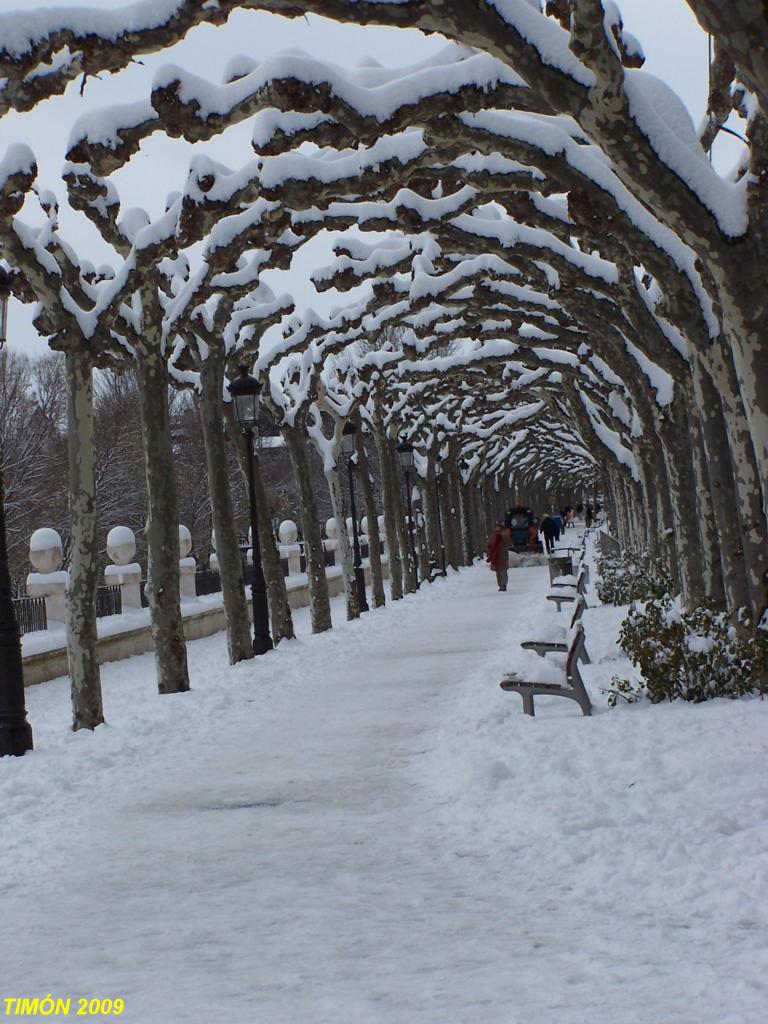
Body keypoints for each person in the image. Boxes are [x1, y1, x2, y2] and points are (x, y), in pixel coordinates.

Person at [486, 523, 511, 591]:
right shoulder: (492, 537)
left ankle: (504, 584)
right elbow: (488, 545)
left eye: (499, 530)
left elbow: (508, 543)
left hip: (503, 557)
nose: (498, 532)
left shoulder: (504, 536)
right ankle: (500, 585)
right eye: (496, 530)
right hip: (495, 557)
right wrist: (489, 553)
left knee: (504, 572)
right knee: (498, 573)